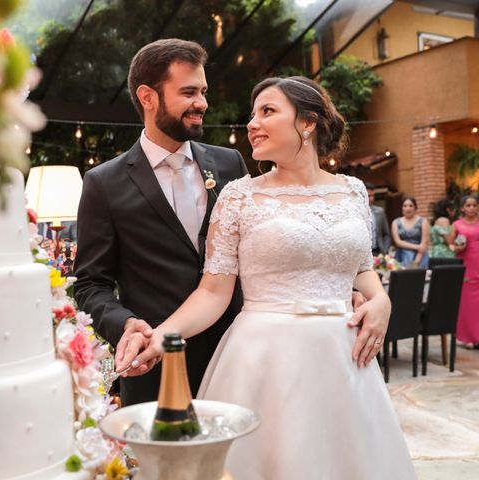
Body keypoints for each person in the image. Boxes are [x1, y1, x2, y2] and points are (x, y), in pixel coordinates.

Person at [119, 76, 415, 479]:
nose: (252, 123)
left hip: (344, 361)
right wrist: (160, 337)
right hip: (264, 362)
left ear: (307, 122)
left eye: (267, 111)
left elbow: (363, 269)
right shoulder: (240, 196)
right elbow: (213, 292)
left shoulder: (353, 192)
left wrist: (381, 300)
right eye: (252, 114)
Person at [73, 39, 249, 406]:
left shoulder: (230, 164)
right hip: (155, 369)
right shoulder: (103, 183)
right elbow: (91, 284)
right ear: (148, 96)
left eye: (202, 91)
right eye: (188, 92)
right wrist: (125, 324)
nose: (202, 102)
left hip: (238, 357)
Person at [450, 194, 479, 348]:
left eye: (474, 205)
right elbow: (451, 246)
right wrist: (457, 248)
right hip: (467, 265)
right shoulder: (456, 225)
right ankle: (468, 337)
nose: (471, 208)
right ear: (462, 208)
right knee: (468, 303)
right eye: (468, 205)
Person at [391, 196, 430, 268]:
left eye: (410, 206)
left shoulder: (423, 221)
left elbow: (423, 244)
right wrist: (417, 247)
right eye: (405, 206)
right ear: (402, 208)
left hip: (420, 255)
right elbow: (398, 242)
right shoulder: (396, 222)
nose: (407, 208)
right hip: (401, 255)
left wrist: (416, 263)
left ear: (415, 208)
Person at [365, 182, 391, 255]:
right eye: (369, 196)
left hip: (378, 252)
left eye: (373, 195)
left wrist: (385, 250)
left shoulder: (380, 211)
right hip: (363, 254)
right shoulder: (356, 213)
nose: (372, 198)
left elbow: (386, 234)